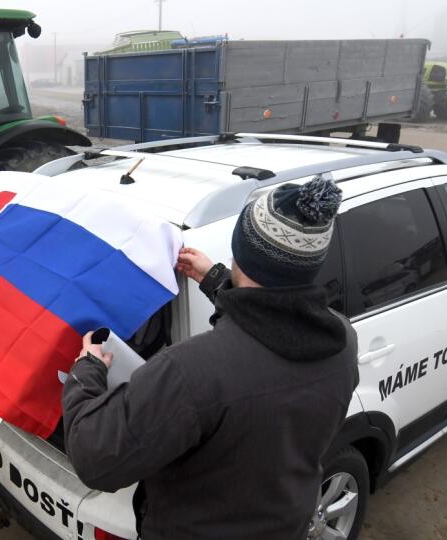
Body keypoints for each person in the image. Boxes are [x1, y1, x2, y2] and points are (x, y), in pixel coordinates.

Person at [61, 176, 359, 539]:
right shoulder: (343, 341)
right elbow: (274, 329)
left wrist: (84, 373)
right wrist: (219, 282)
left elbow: (94, 458)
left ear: (242, 253)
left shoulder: (191, 371)